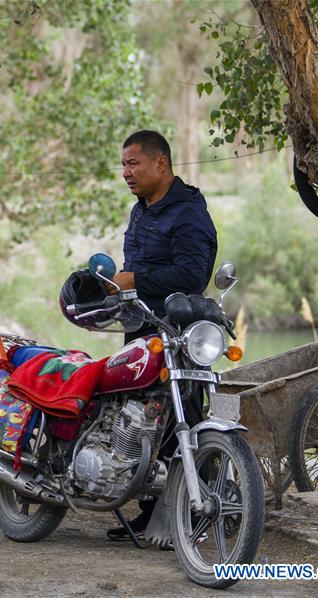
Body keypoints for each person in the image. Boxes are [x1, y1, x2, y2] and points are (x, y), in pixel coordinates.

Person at [106, 130, 218, 542]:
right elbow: (132, 262)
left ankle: (198, 515)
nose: (126, 173)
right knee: (138, 417)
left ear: (161, 164)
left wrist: (136, 278)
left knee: (182, 417)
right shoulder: (142, 210)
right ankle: (149, 512)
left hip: (177, 335)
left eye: (133, 164)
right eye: (123, 165)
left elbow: (192, 276)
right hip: (139, 327)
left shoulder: (188, 213)